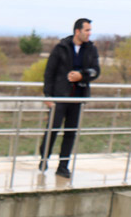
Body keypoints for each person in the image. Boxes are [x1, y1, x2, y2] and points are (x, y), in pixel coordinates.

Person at [39, 18, 100, 179]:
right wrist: (47, 95)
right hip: (59, 97)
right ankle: (44, 159)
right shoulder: (61, 48)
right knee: (52, 129)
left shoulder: (91, 49)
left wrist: (82, 75)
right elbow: (49, 72)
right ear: (77, 31)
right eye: (87, 30)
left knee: (70, 133)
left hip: (77, 98)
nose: (89, 33)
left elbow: (96, 71)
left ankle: (63, 166)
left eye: (90, 30)